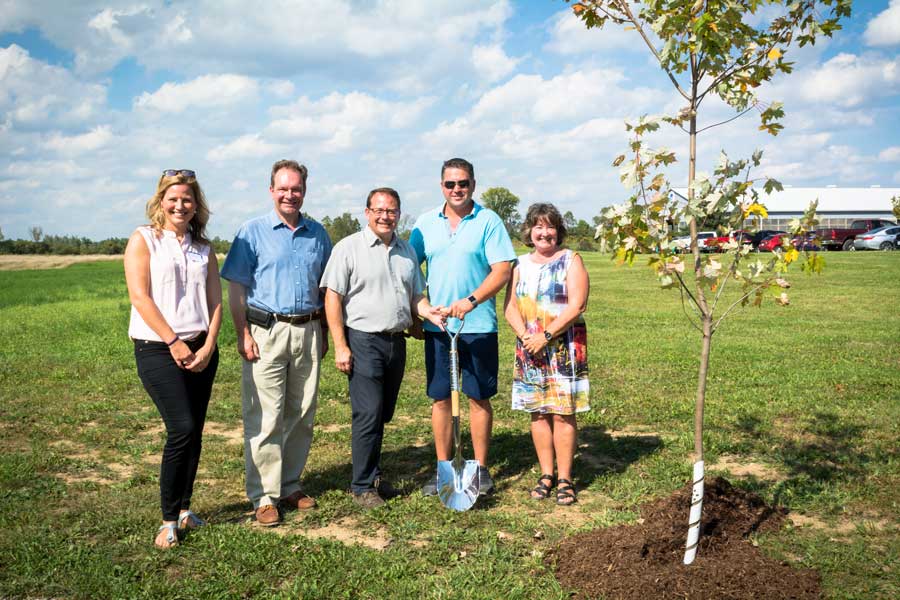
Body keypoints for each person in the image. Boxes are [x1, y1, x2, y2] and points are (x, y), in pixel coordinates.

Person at [220, 159, 332, 527]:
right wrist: (242, 334)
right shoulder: (251, 232)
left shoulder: (318, 234)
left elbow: (327, 289)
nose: (289, 194)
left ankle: (289, 483)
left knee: (301, 414)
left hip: (309, 330)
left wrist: (326, 333)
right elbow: (236, 288)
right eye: (282, 188)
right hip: (266, 332)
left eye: (296, 188)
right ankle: (264, 496)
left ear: (304, 191)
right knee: (265, 416)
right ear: (271, 191)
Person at [321, 188, 446, 509]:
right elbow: (332, 297)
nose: (384, 216)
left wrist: (430, 312)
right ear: (367, 212)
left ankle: (374, 476)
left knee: (383, 413)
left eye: (391, 211)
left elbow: (416, 295)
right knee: (368, 414)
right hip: (363, 341)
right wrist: (340, 345)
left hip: (395, 343)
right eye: (378, 210)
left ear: (398, 213)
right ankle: (362, 486)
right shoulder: (348, 248)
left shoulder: (405, 251)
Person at [124, 169, 222, 548]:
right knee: (180, 427)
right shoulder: (144, 239)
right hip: (157, 348)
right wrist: (174, 343)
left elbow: (215, 300)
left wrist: (208, 344)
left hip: (200, 348)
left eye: (187, 199)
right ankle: (167, 521)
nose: (180, 205)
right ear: (161, 201)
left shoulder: (204, 248)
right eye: (173, 198)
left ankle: (184, 509)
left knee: (195, 431)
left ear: (197, 205)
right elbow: (140, 297)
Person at [410, 158, 516, 496]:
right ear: (441, 186)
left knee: (478, 397)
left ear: (473, 184)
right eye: (450, 184)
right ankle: (444, 468)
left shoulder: (488, 221)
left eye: (464, 183)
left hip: (478, 325)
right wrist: (422, 310)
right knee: (441, 398)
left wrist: (471, 301)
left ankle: (481, 469)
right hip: (440, 327)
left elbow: (502, 270)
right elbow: (409, 270)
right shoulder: (425, 224)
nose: (457, 190)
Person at [503, 202, 590, 506]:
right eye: (538, 226)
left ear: (558, 231)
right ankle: (546, 474)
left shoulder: (571, 260)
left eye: (550, 226)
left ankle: (565, 478)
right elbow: (510, 307)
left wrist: (546, 335)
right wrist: (527, 337)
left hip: (563, 345)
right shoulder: (518, 264)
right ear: (529, 231)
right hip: (530, 348)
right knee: (538, 412)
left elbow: (577, 305)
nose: (544, 232)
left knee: (563, 412)